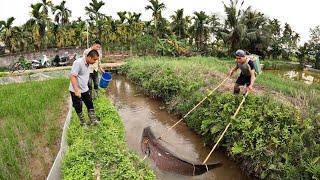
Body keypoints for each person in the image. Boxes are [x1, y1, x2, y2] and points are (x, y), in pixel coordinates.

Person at [69, 49, 100, 128]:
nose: (95, 61)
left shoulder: (88, 64)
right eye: (94, 59)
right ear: (89, 57)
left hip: (84, 89)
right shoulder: (78, 63)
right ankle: (83, 123)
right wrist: (76, 90)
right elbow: (72, 76)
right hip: (76, 90)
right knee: (78, 106)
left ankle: (93, 120)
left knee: (90, 104)